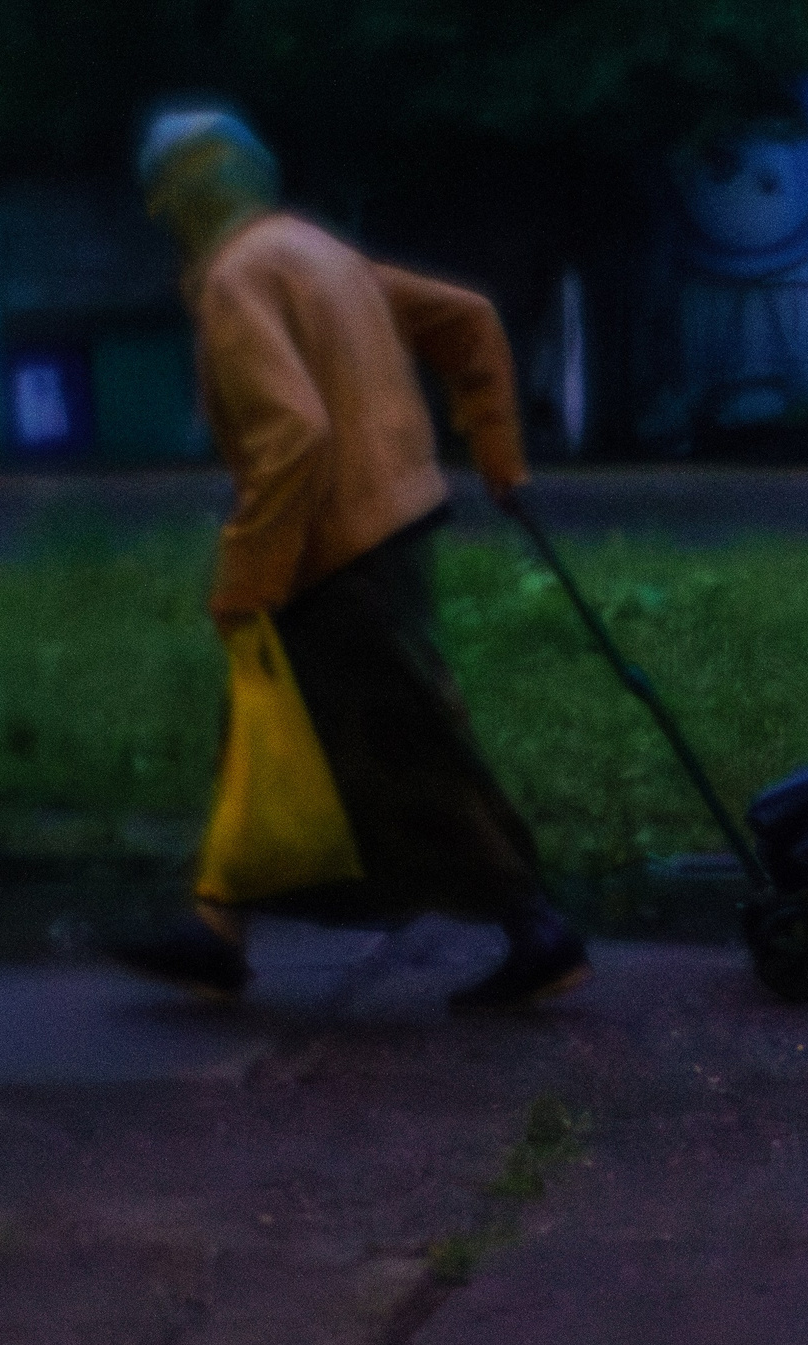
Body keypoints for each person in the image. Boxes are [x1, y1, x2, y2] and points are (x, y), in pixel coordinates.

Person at [107, 106, 589, 1009]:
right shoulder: (318, 253)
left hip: (336, 552)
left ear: (185, 194)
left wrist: (249, 574)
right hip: (392, 524)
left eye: (162, 194)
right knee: (258, 727)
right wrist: (498, 460)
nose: (158, 214)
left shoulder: (237, 278)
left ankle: (537, 925)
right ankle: (216, 924)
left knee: (415, 751)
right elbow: (470, 321)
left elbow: (294, 436)